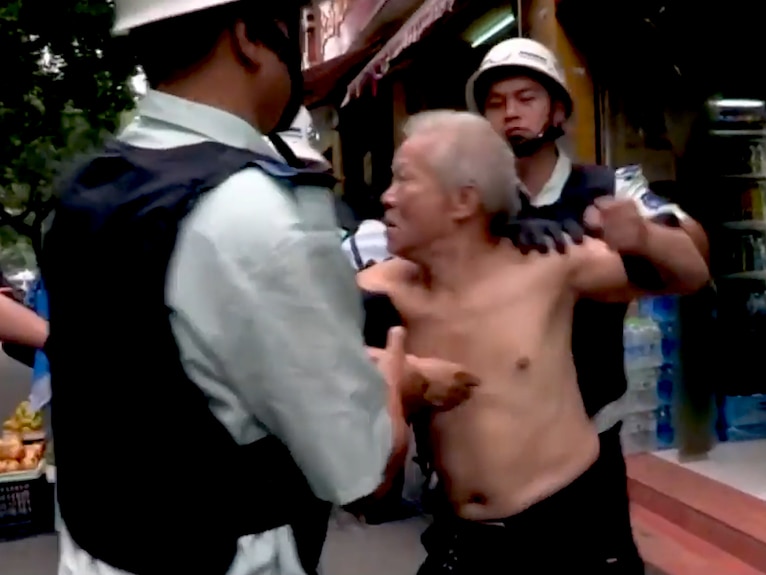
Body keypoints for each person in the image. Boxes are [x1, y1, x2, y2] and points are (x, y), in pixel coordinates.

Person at [40, 2, 473, 575]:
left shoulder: (83, 191)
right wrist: (400, 380)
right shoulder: (254, 210)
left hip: (96, 552)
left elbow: (164, 367)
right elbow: (363, 472)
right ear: (248, 37)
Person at [359, 109, 708, 573]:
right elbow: (302, 358)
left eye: (404, 181)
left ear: (463, 200)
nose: (387, 198)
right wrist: (401, 372)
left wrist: (643, 236)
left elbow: (689, 275)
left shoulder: (548, 264)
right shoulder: (383, 288)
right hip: (461, 540)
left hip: (567, 531)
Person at [465, 37, 712, 572]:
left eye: (526, 97)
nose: (510, 113)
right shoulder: (471, 201)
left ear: (556, 109)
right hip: (492, 449)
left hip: (588, 446)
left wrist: (643, 236)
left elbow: (692, 254)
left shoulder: (611, 186)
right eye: (495, 102)